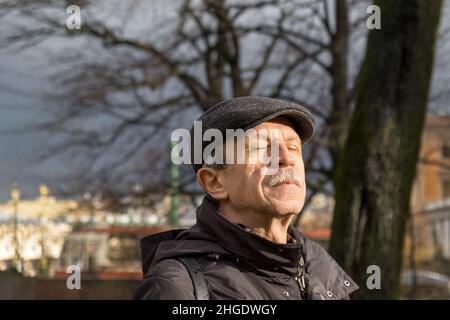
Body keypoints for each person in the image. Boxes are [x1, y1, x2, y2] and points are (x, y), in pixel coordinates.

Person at [133, 96, 358, 300]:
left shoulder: (319, 270)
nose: (286, 158)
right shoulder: (176, 288)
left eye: (293, 147)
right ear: (215, 182)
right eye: (261, 147)